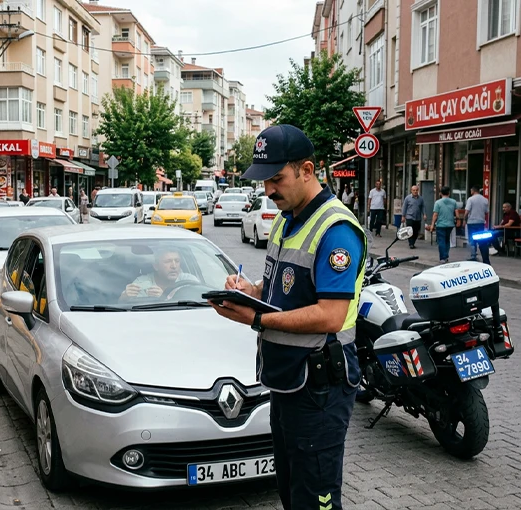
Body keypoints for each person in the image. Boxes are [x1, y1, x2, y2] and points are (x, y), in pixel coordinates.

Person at [209, 124, 365, 510]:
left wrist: (254, 319)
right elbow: (281, 292)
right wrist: (250, 292)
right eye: (264, 180)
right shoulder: (286, 218)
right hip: (288, 381)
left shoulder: (336, 230)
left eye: (277, 179)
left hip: (320, 388)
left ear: (307, 170)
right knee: (293, 492)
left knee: (315, 500)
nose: (268, 190)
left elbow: (331, 315)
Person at [119, 248, 198, 301]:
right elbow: (125, 306)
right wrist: (124, 297)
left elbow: (200, 301)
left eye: (177, 261)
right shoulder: (142, 283)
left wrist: (164, 298)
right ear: (156, 266)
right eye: (168, 261)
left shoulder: (189, 281)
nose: (174, 266)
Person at [427, 186, 458, 264]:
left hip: (440, 224)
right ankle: (446, 255)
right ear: (449, 193)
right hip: (450, 224)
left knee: (441, 241)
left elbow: (435, 215)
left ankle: (443, 257)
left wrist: (432, 225)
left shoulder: (438, 202)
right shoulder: (454, 202)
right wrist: (458, 220)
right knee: (447, 240)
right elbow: (457, 214)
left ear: (440, 193)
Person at [465, 186, 490, 263]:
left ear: (473, 191)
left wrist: (464, 219)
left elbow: (467, 211)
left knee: (472, 239)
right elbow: (486, 212)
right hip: (480, 222)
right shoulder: (485, 200)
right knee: (481, 240)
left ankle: (473, 255)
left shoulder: (470, 199)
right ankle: (485, 259)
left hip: (471, 222)